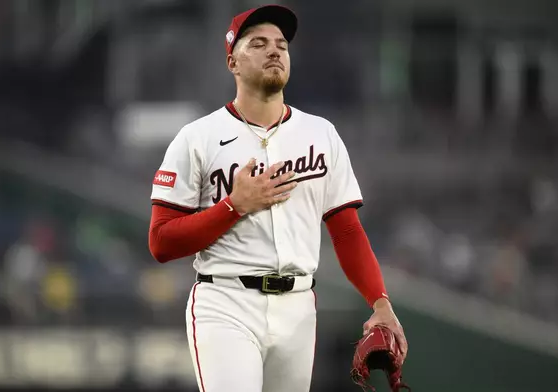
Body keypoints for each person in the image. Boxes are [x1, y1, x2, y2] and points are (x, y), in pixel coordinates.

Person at [148, 4, 408, 392]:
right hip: (226, 302)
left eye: (281, 45)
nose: (274, 51)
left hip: (299, 307)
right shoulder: (196, 138)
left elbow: (347, 232)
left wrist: (380, 301)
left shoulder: (321, 134)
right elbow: (161, 242)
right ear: (232, 61)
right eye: (258, 43)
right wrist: (234, 206)